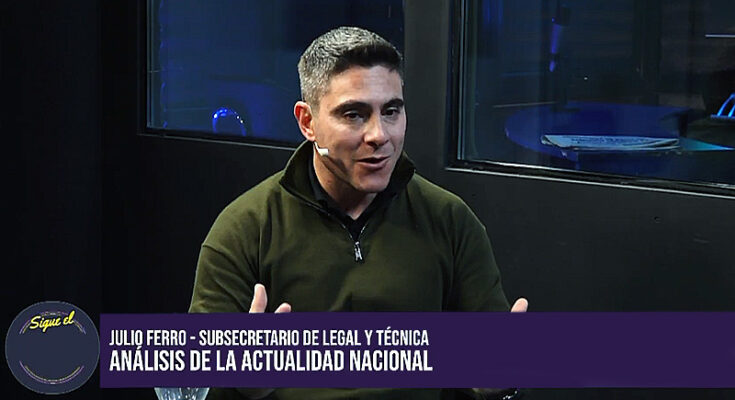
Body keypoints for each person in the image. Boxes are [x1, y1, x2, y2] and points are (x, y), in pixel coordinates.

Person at [189, 26, 527, 400]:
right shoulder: (245, 228)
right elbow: (197, 382)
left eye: (391, 111)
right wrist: (245, 383)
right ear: (307, 122)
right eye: (354, 114)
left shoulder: (449, 219)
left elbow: (491, 370)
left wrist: (495, 383)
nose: (379, 135)